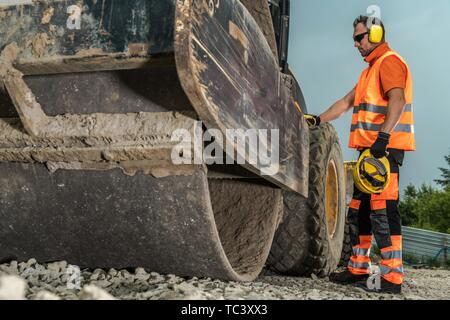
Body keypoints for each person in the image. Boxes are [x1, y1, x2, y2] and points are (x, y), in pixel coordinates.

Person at [305, 15, 416, 294]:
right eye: (354, 38)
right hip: (370, 154)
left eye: (360, 37)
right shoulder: (369, 71)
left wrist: (384, 137)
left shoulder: (389, 62)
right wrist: (318, 119)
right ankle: (358, 267)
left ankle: (392, 278)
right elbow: (345, 103)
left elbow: (398, 100)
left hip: (384, 153)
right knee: (360, 211)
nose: (356, 43)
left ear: (376, 34)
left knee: (383, 212)